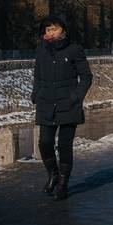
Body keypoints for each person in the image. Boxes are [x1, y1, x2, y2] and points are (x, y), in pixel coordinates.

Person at [32, 16, 93, 200]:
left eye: (55, 28)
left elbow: (86, 77)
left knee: (64, 145)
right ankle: (53, 174)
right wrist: (36, 94)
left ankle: (63, 185)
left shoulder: (74, 49)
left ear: (63, 29)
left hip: (68, 104)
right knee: (44, 143)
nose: (51, 32)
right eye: (48, 29)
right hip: (46, 103)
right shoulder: (41, 49)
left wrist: (76, 96)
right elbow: (37, 75)